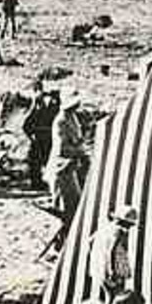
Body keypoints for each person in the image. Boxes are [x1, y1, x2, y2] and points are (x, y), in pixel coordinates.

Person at [43, 91, 90, 254]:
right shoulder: (61, 122)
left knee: (75, 209)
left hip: (71, 169)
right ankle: (59, 248)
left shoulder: (73, 118)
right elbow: (62, 149)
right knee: (66, 212)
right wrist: (81, 151)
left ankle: (65, 245)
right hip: (60, 170)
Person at [88, 207, 138, 304]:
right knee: (115, 297)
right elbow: (112, 250)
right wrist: (112, 270)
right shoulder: (119, 231)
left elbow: (90, 241)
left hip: (100, 267)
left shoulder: (104, 228)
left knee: (109, 296)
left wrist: (97, 256)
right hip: (114, 268)